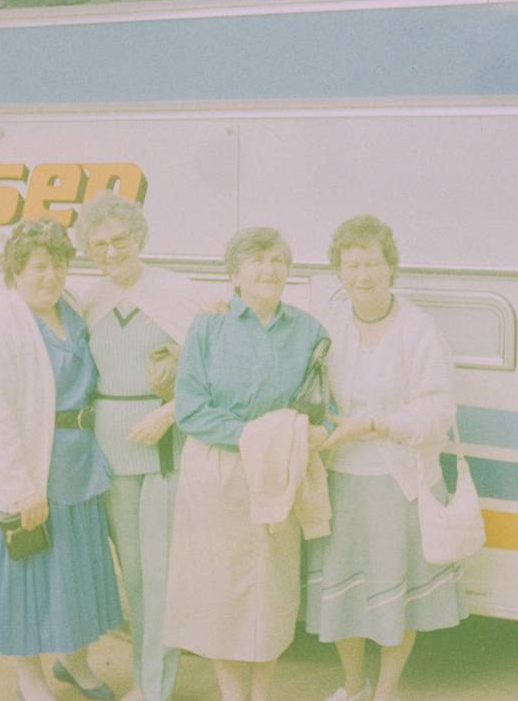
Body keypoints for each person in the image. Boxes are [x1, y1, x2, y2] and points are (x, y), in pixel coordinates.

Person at [307, 214, 470, 701]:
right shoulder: (329, 324)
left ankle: (387, 689)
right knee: (345, 596)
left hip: (400, 481)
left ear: (392, 268)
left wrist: (377, 425)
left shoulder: (418, 328)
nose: (362, 275)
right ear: (338, 271)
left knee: (395, 594)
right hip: (340, 478)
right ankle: (352, 687)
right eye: (351, 264)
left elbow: (438, 410)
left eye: (372, 263)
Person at [163, 227, 328, 701]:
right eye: (256, 260)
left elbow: (319, 406)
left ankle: (261, 694)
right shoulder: (207, 327)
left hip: (279, 472)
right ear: (234, 274)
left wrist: (307, 435)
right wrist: (258, 436)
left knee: (270, 593)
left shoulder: (309, 330)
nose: (268, 269)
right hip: (218, 473)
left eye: (277, 260)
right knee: (223, 593)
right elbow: (191, 409)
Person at [0, 217, 121, 701]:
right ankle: (30, 677)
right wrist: (20, 489)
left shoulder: (71, 310)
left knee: (76, 577)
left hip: (77, 467)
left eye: (58, 265)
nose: (50, 276)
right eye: (38, 267)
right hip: (30, 472)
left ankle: (76, 664)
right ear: (16, 270)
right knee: (25, 584)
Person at [75, 192, 209, 701]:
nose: (111, 252)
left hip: (162, 449)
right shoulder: (89, 299)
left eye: (120, 240)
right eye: (100, 244)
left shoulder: (176, 290)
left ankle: (154, 687)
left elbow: (204, 370)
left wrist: (168, 413)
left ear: (139, 237)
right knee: (133, 575)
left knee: (160, 575)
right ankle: (143, 675)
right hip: (109, 453)